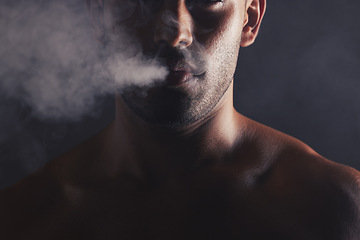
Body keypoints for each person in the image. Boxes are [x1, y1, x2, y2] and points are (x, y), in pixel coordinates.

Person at [1, 0, 359, 239]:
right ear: (99, 18)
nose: (174, 32)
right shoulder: (23, 220)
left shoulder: (340, 208)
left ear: (249, 17)